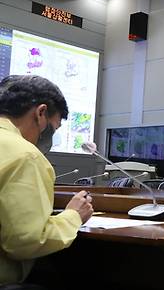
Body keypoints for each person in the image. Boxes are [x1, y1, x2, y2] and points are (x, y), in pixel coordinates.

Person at [0, 75, 94, 286]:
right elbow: (26, 242)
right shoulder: (26, 155)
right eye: (53, 130)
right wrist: (74, 216)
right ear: (40, 113)